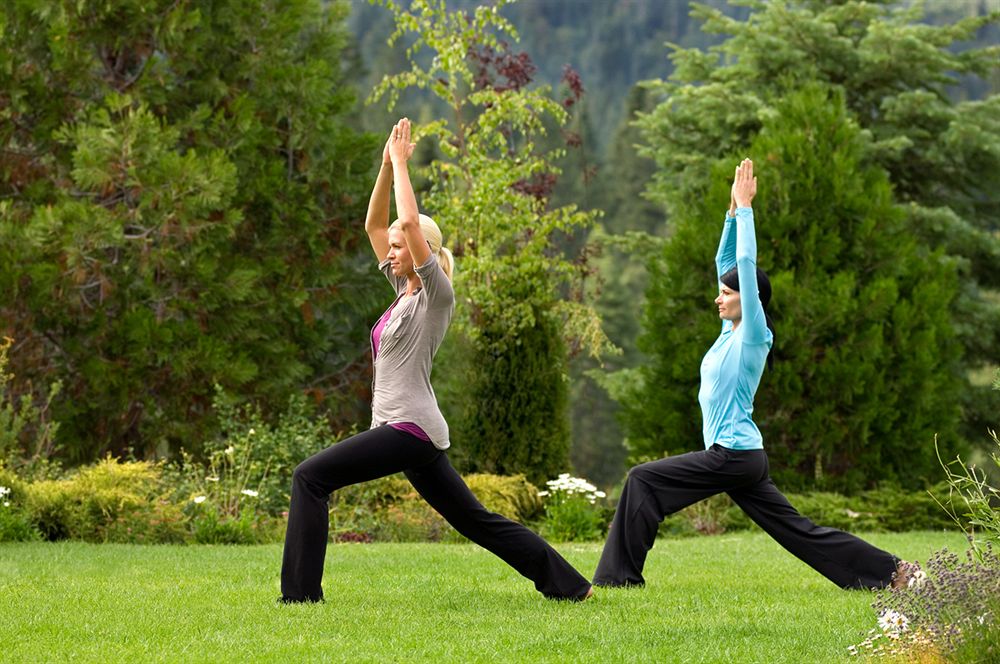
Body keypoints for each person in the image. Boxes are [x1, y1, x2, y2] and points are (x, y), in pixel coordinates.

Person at [279, 118, 592, 603]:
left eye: (403, 247)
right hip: (410, 430)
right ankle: (570, 587)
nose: (394, 249)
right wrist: (386, 165)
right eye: (396, 248)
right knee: (475, 520)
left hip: (408, 429)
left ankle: (299, 597)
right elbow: (376, 225)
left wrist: (405, 165)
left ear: (423, 249)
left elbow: (404, 223)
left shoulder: (435, 295)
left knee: (310, 477)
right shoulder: (402, 291)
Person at [592, 158, 915, 591]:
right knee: (799, 531)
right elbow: (726, 259)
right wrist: (730, 212)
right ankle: (895, 574)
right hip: (743, 459)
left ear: (751, 298)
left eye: (727, 293)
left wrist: (747, 209)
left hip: (732, 455)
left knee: (642, 480)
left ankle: (618, 580)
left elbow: (744, 261)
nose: (718, 299)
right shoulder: (731, 330)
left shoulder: (754, 336)